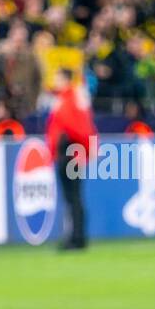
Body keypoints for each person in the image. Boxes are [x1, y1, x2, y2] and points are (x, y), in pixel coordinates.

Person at [44, 68, 98, 251]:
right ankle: (74, 236)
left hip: (71, 152)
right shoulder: (65, 98)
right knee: (71, 198)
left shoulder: (72, 97)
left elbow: (79, 126)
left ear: (66, 79)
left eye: (58, 78)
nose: (56, 82)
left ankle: (77, 237)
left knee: (74, 197)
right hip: (66, 152)